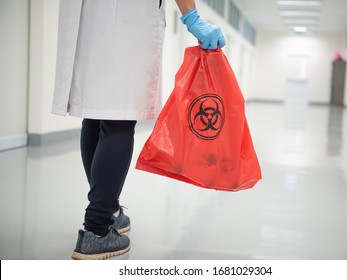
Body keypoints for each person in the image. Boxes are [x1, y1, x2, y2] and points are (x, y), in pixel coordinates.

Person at [52, 0, 225, 260]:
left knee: (96, 112)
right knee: (120, 116)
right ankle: (97, 230)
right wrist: (193, 18)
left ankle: (107, 211)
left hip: (90, 14)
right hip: (128, 15)